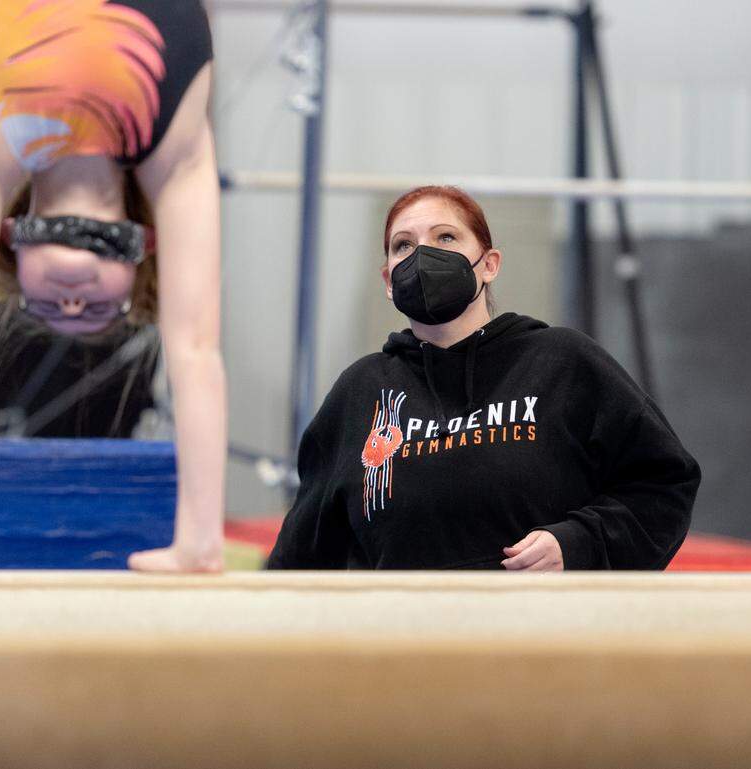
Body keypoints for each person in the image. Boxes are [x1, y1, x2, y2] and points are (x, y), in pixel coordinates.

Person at [0, 0, 225, 574]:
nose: (74, 299)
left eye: (51, 305)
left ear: (10, 241)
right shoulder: (174, 151)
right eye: (97, 309)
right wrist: (201, 538)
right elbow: (197, 348)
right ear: (144, 250)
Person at [267, 186, 700, 571]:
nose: (422, 255)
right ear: (388, 280)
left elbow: (664, 486)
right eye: (404, 245)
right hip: (404, 633)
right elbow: (302, 556)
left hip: (541, 630)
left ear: (489, 264)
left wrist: (577, 543)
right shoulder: (360, 393)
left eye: (445, 237)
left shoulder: (563, 363)